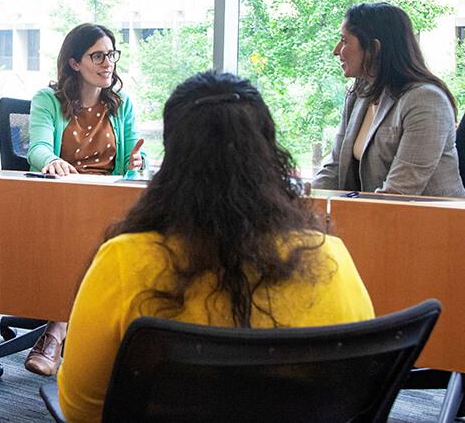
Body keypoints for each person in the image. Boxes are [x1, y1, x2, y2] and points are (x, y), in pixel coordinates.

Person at [57, 71, 375, 422]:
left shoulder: (124, 260)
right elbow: (358, 396)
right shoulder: (331, 257)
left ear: (174, 159)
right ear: (269, 153)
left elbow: (79, 408)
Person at [24, 23, 145, 376]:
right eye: (98, 55)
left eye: (111, 54)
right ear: (75, 62)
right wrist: (52, 160)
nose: (108, 62)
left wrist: (138, 161)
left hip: (109, 199)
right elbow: (38, 149)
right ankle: (60, 329)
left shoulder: (121, 105)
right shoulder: (48, 100)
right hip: (64, 197)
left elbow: (132, 162)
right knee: (77, 236)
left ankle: (58, 333)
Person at [313, 2, 465, 197]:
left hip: (429, 223)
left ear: (374, 48)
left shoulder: (426, 101)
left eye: (344, 41)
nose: (336, 50)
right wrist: (301, 203)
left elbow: (398, 191)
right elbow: (334, 168)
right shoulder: (358, 93)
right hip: (378, 216)